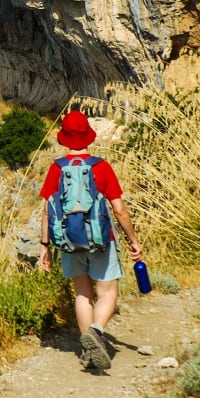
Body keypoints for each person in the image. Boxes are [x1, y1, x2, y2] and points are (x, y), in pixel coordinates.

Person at [38, 110, 142, 370]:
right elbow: (119, 209)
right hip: (100, 239)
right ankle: (96, 331)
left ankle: (88, 350)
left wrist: (44, 247)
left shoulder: (56, 169)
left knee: (82, 292)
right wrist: (133, 240)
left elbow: (48, 210)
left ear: (64, 139)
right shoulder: (100, 167)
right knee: (107, 291)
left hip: (69, 242)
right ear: (88, 137)